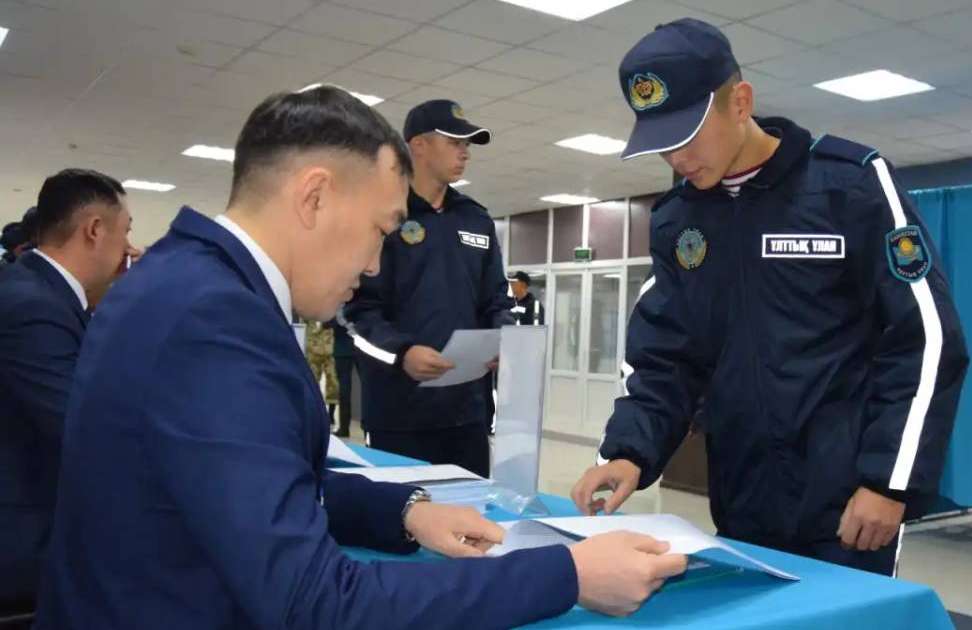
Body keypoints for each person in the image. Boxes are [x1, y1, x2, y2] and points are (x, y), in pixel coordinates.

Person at [37, 86, 684, 629]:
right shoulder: (215, 320)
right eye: (379, 229)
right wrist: (565, 575)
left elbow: (242, 482)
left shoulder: (182, 283)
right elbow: (315, 604)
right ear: (314, 197)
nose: (376, 263)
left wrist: (404, 513)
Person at [572, 19, 969, 577]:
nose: (678, 160)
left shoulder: (848, 188)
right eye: (662, 145)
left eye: (687, 135)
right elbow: (665, 357)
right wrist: (627, 452)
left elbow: (927, 339)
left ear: (740, 101)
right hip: (742, 499)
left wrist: (889, 480)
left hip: (849, 507)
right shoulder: (678, 222)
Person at [344, 99, 511, 477]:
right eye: (455, 142)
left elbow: (496, 297)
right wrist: (401, 353)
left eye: (468, 144)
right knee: (402, 524)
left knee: (471, 521)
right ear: (417, 145)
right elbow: (355, 314)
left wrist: (503, 337)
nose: (465, 152)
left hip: (467, 413)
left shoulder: (476, 219)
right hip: (399, 413)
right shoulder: (383, 213)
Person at [0, 170, 132, 614]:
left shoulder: (37, 291)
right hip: (26, 545)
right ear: (95, 230)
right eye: (125, 231)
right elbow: (85, 429)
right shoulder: (34, 307)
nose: (129, 250)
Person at [304, 318, 339, 419]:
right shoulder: (309, 313)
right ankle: (314, 412)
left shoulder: (329, 312)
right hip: (313, 351)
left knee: (333, 384)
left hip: (329, 351)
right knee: (312, 384)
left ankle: (331, 415)